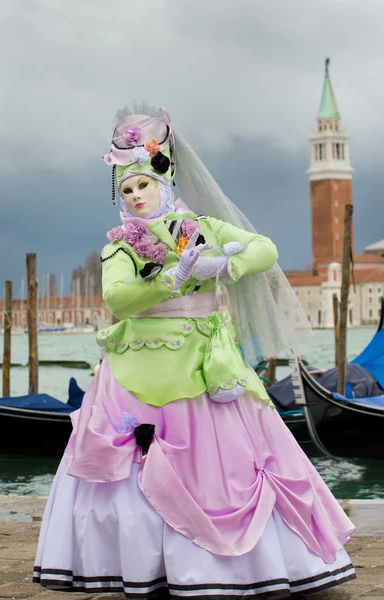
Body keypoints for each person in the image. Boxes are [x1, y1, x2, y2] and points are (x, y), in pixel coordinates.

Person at [34, 104, 356, 598]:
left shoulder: (205, 225)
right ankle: (145, 563)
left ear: (164, 183)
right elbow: (117, 298)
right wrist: (174, 278)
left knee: (226, 463)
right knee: (136, 467)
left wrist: (227, 266)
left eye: (143, 184)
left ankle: (237, 566)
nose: (137, 195)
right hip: (138, 364)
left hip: (209, 364)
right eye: (127, 188)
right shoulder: (120, 245)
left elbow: (265, 249)